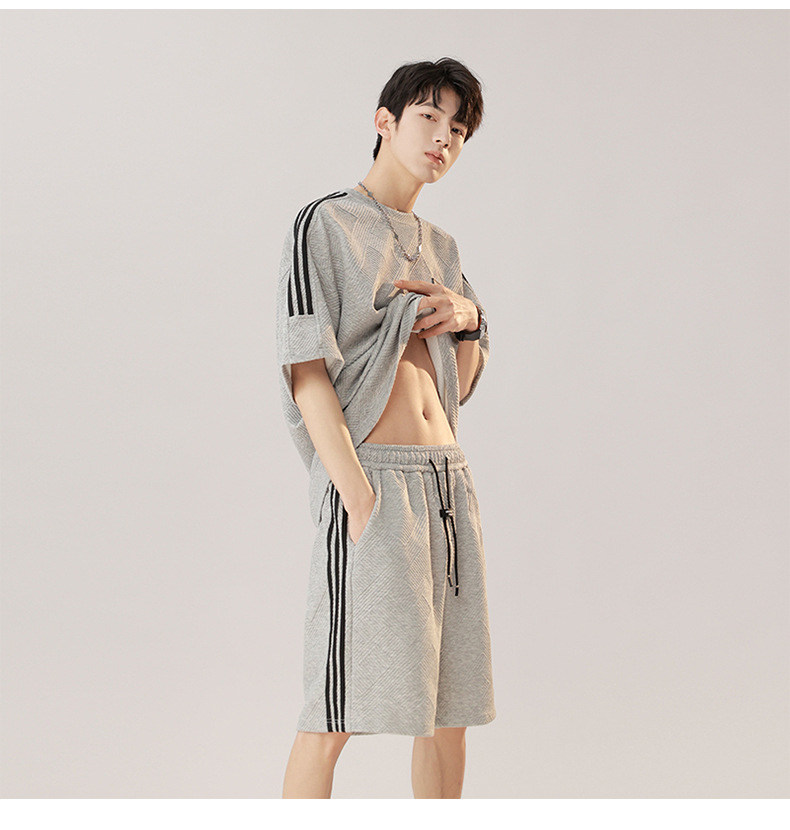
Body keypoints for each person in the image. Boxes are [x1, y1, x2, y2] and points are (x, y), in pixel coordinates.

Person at [277, 57, 495, 799]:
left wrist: (470, 318)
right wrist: (358, 497)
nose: (443, 138)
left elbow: (458, 384)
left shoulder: (444, 247)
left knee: (448, 712)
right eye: (429, 117)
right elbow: (306, 368)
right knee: (333, 710)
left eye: (458, 129)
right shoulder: (325, 222)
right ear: (385, 121)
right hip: (374, 483)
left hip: (446, 485)